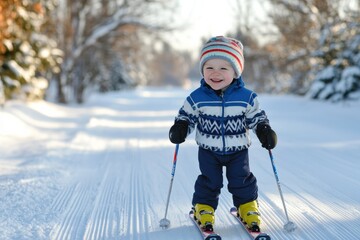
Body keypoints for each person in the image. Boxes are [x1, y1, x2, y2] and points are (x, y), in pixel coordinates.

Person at [168, 36, 277, 232]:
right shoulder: (197, 97)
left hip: (238, 150)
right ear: (202, 70)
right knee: (210, 180)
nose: (215, 73)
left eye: (223, 68)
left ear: (235, 72)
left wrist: (263, 129)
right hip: (209, 150)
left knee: (242, 180)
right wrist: (181, 126)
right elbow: (186, 116)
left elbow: (257, 117)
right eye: (209, 68)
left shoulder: (247, 97)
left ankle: (248, 207)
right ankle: (204, 207)